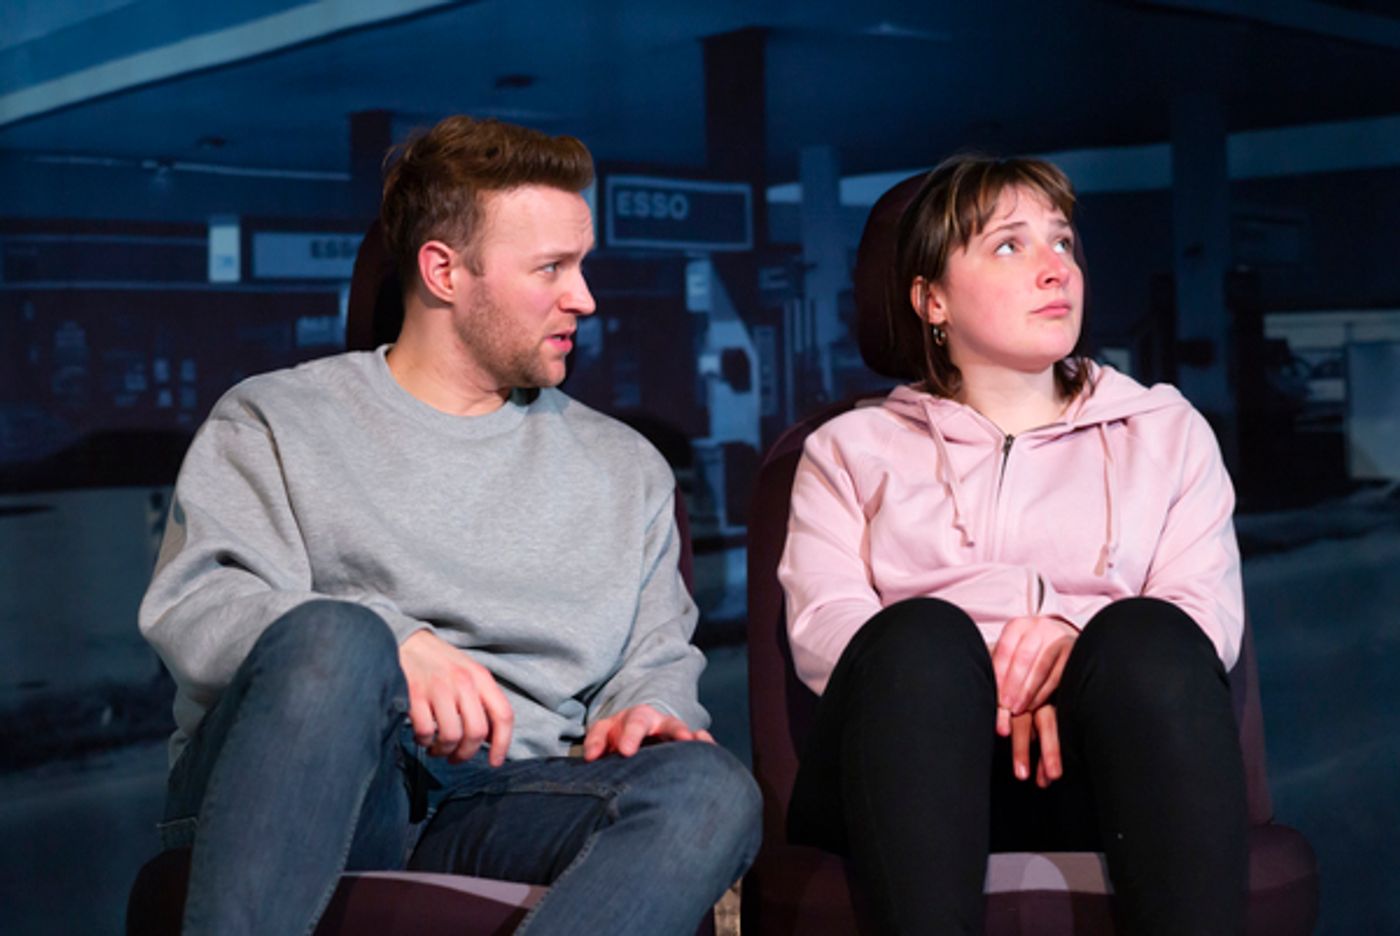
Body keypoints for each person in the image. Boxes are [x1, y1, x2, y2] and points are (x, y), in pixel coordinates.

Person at [139, 115, 760, 936]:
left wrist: (648, 705)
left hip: (507, 800)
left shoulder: (624, 466)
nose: (585, 297)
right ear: (444, 270)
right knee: (339, 641)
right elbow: (195, 607)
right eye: (552, 268)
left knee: (712, 789)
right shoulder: (275, 418)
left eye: (582, 265)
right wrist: (388, 641)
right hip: (311, 785)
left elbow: (655, 657)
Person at [778, 154, 1248, 935]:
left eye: (1063, 243)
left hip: (1095, 761)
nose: (1054, 268)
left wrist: (1066, 638)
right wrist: (989, 659)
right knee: (919, 641)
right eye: (1009, 246)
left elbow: (1208, 616)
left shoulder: (1166, 432)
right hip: (908, 765)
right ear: (931, 299)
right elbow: (825, 633)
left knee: (1151, 635)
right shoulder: (847, 449)